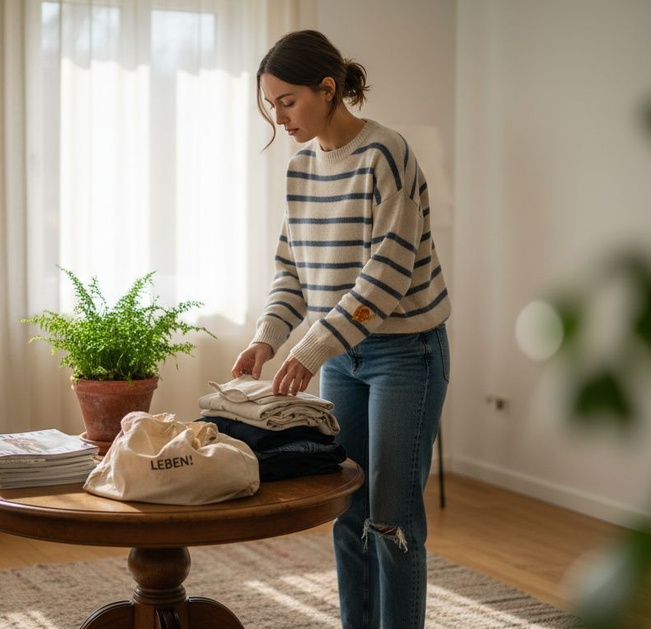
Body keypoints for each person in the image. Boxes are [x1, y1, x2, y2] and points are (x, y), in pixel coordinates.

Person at [231, 30, 451, 628]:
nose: (280, 118)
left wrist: (311, 348)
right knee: (347, 511)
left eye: (288, 102)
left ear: (328, 89)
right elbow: (292, 272)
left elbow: (388, 274)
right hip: (342, 358)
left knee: (391, 519)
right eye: (271, 105)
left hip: (406, 353)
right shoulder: (301, 169)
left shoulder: (386, 153)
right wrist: (266, 338)